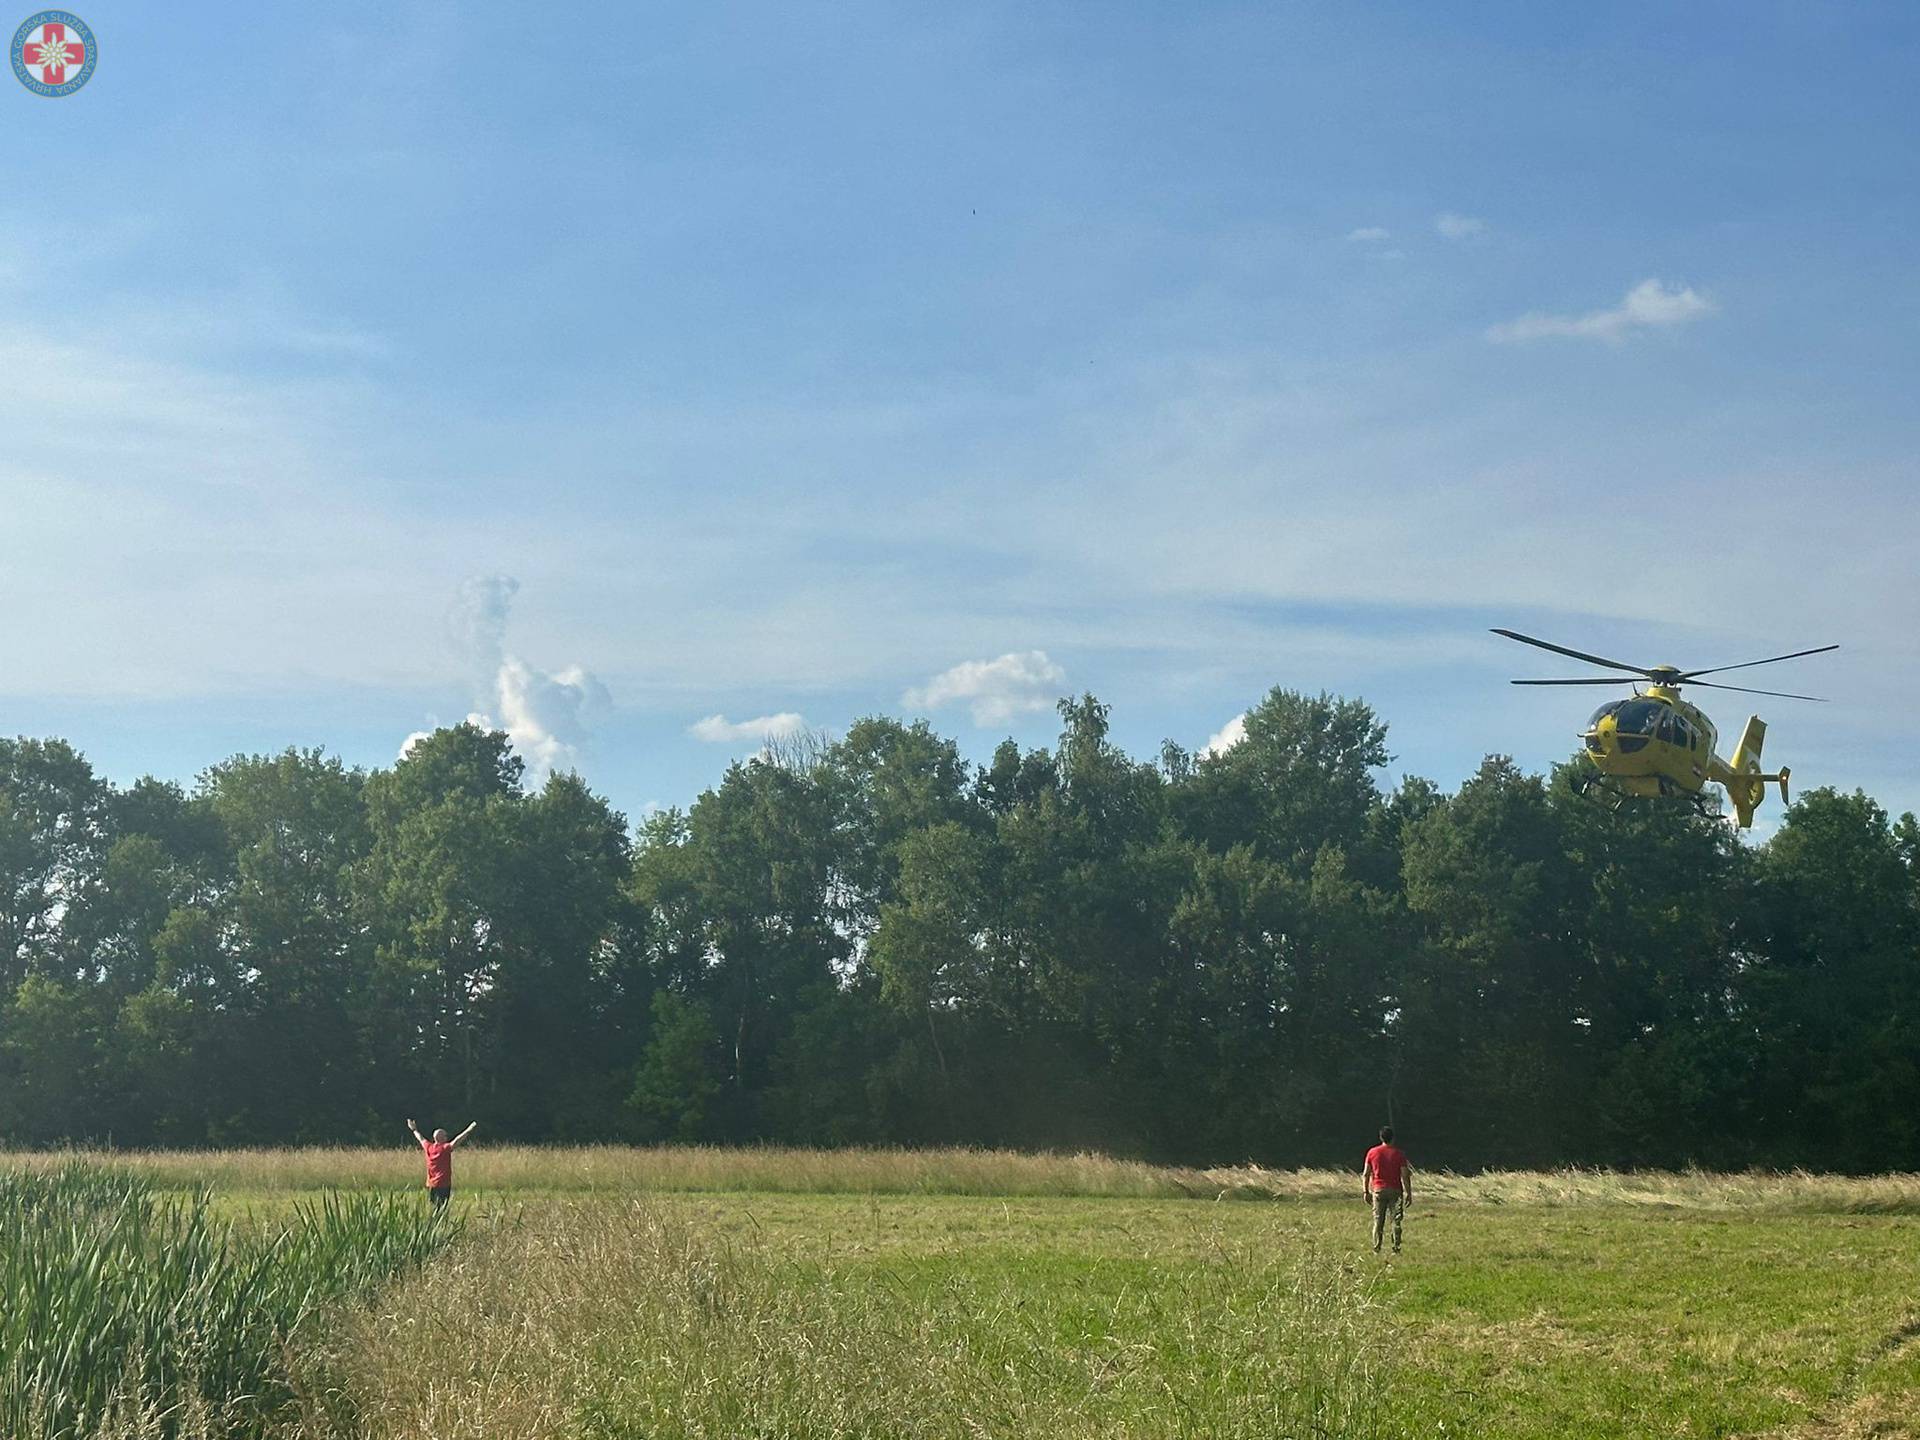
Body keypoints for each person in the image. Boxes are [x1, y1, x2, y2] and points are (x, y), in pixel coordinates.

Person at [1362, 1124, 1412, 1254]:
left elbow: (1366, 1173)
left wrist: (1365, 1191)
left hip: (1378, 1189)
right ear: (1392, 1138)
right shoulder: (1399, 1154)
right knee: (1395, 1220)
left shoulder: (1372, 1152)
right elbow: (1405, 1175)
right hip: (1395, 1190)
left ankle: (1376, 1248)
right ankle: (1396, 1248)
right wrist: (1409, 1193)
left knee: (1378, 1221)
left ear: (1380, 1137)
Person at [407, 1116, 478, 1208]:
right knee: (442, 1208)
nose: (446, 1137)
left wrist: (414, 1130)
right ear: (441, 1138)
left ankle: (433, 1221)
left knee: (434, 1207)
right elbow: (457, 1140)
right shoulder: (445, 1148)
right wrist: (469, 1130)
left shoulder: (428, 1147)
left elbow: (420, 1138)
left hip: (431, 1184)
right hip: (443, 1184)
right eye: (445, 1135)